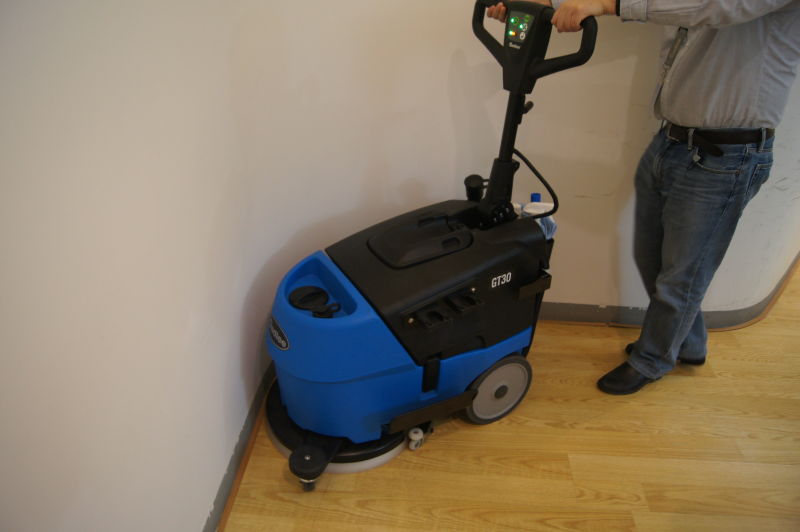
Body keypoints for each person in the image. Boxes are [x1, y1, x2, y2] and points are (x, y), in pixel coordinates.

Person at [487, 0, 800, 394]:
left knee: (682, 275)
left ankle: (653, 360)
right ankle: (687, 342)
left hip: (727, 156)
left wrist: (606, 4)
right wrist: (544, 3)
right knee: (652, 257)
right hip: (671, 141)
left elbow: (717, 7)